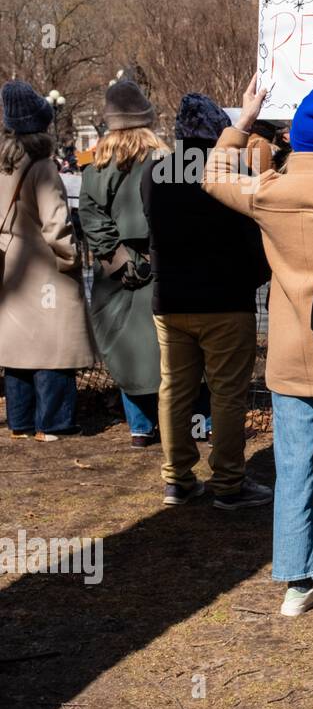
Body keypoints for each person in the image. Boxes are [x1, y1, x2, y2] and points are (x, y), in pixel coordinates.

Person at [204, 79, 313, 618]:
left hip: (284, 354)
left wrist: (244, 120)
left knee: (294, 467)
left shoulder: (269, 192)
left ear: (295, 143)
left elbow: (211, 176)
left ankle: (297, 582)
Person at [142, 93, 271, 508]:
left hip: (171, 299)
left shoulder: (154, 173)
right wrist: (257, 278)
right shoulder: (234, 170)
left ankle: (177, 478)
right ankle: (229, 482)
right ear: (218, 130)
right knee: (227, 395)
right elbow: (252, 237)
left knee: (174, 390)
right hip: (226, 300)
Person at [0, 81, 95, 439]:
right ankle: (53, 423)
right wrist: (71, 258)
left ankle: (21, 423)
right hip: (44, 268)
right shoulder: (43, 167)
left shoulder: (3, 164)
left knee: (17, 348)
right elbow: (56, 223)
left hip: (12, 266)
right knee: (53, 347)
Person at [78, 79, 165, 448]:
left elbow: (91, 214)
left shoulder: (96, 165)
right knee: (167, 347)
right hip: (162, 261)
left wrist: (117, 259)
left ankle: (141, 427)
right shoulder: (164, 159)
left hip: (118, 273)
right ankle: (190, 423)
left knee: (126, 347)